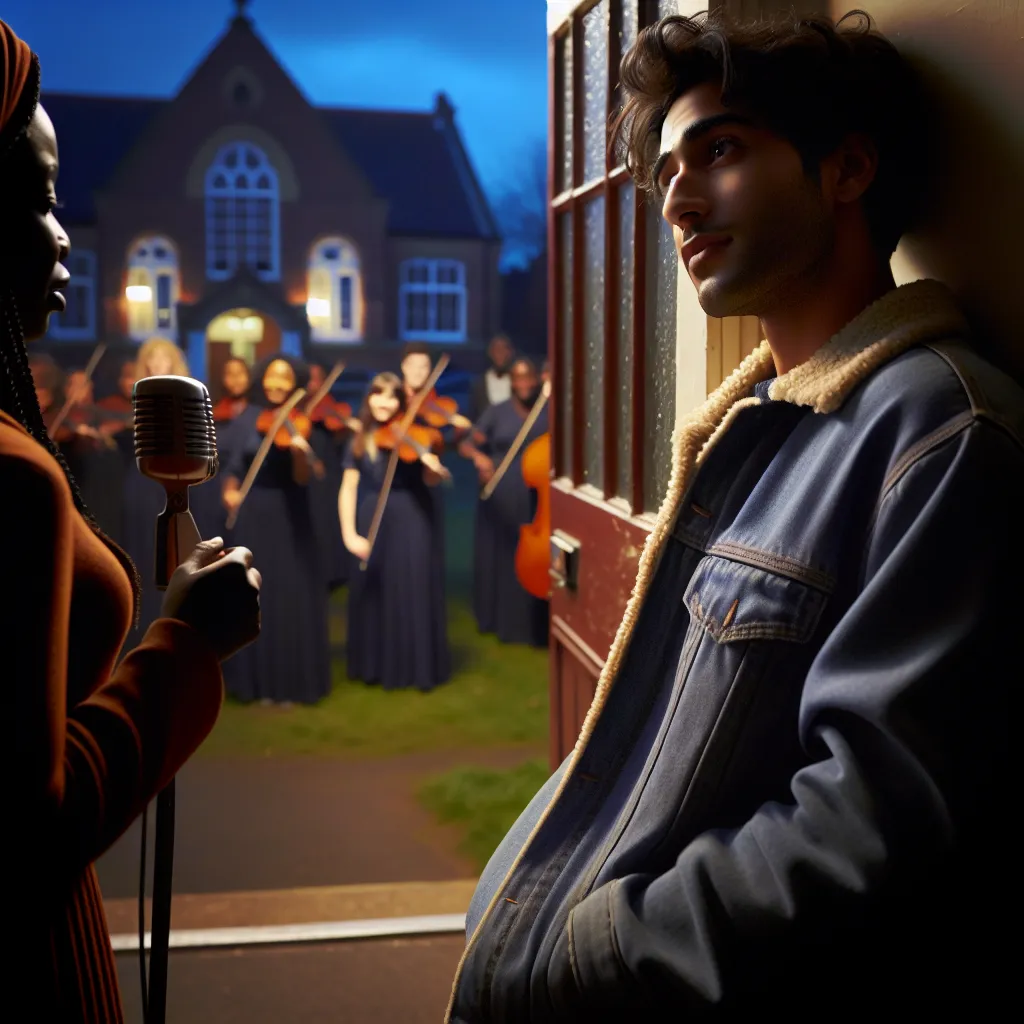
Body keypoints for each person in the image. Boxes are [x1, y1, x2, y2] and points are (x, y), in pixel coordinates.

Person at [447, 10, 1021, 1021]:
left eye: (719, 149)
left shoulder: (941, 431)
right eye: (666, 167)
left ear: (844, 170)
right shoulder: (749, 428)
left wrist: (596, 949)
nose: (675, 194)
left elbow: (870, 820)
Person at [1, 22, 262, 1022]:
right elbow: (29, 831)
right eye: (38, 197)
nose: (65, 234)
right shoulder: (14, 481)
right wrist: (183, 646)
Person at [221, 354, 331, 705]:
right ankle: (257, 683)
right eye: (271, 377)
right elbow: (233, 467)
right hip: (254, 516)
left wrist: (300, 454)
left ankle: (290, 684)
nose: (277, 384)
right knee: (255, 597)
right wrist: (230, 492)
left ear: (296, 384)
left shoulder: (301, 422)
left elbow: (301, 480)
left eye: (285, 378)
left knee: (288, 595)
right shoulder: (249, 419)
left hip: (289, 517)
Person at [340, 371, 451, 691]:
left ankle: (414, 669)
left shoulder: (415, 435)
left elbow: (429, 483)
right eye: (378, 395)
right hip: (370, 517)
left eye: (391, 397)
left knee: (410, 588)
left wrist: (432, 468)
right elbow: (348, 488)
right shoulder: (360, 437)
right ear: (369, 398)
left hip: (411, 518)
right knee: (374, 593)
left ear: (401, 402)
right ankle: (375, 666)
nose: (384, 403)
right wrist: (349, 534)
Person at [458, 356, 549, 647]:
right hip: (499, 494)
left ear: (537, 379)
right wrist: (479, 458)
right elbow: (467, 442)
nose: (523, 384)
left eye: (528, 377)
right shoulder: (497, 412)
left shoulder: (548, 411)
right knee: (501, 558)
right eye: (517, 378)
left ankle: (533, 624)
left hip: (537, 498)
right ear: (510, 382)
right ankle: (498, 620)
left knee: (533, 560)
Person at [117, 336, 191, 638]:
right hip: (142, 482)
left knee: (173, 555)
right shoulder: (138, 398)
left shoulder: (186, 397)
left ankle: (174, 627)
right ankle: (143, 630)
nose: (157, 366)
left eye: (163, 360)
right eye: (151, 361)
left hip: (172, 480)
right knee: (144, 554)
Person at [469, 332, 514, 422]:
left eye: (504, 349)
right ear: (490, 352)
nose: (500, 353)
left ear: (511, 352)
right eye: (496, 349)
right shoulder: (480, 384)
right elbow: (473, 416)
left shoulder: (519, 381)